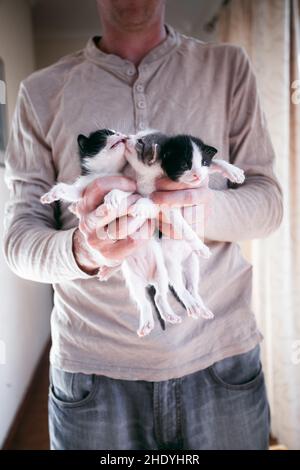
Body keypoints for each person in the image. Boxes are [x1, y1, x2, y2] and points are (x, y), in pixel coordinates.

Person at [3, 0, 283, 450]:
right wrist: (86, 249)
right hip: (92, 377)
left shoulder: (228, 67)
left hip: (222, 361)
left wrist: (190, 207)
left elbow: (268, 203)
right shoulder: (40, 92)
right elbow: (19, 242)